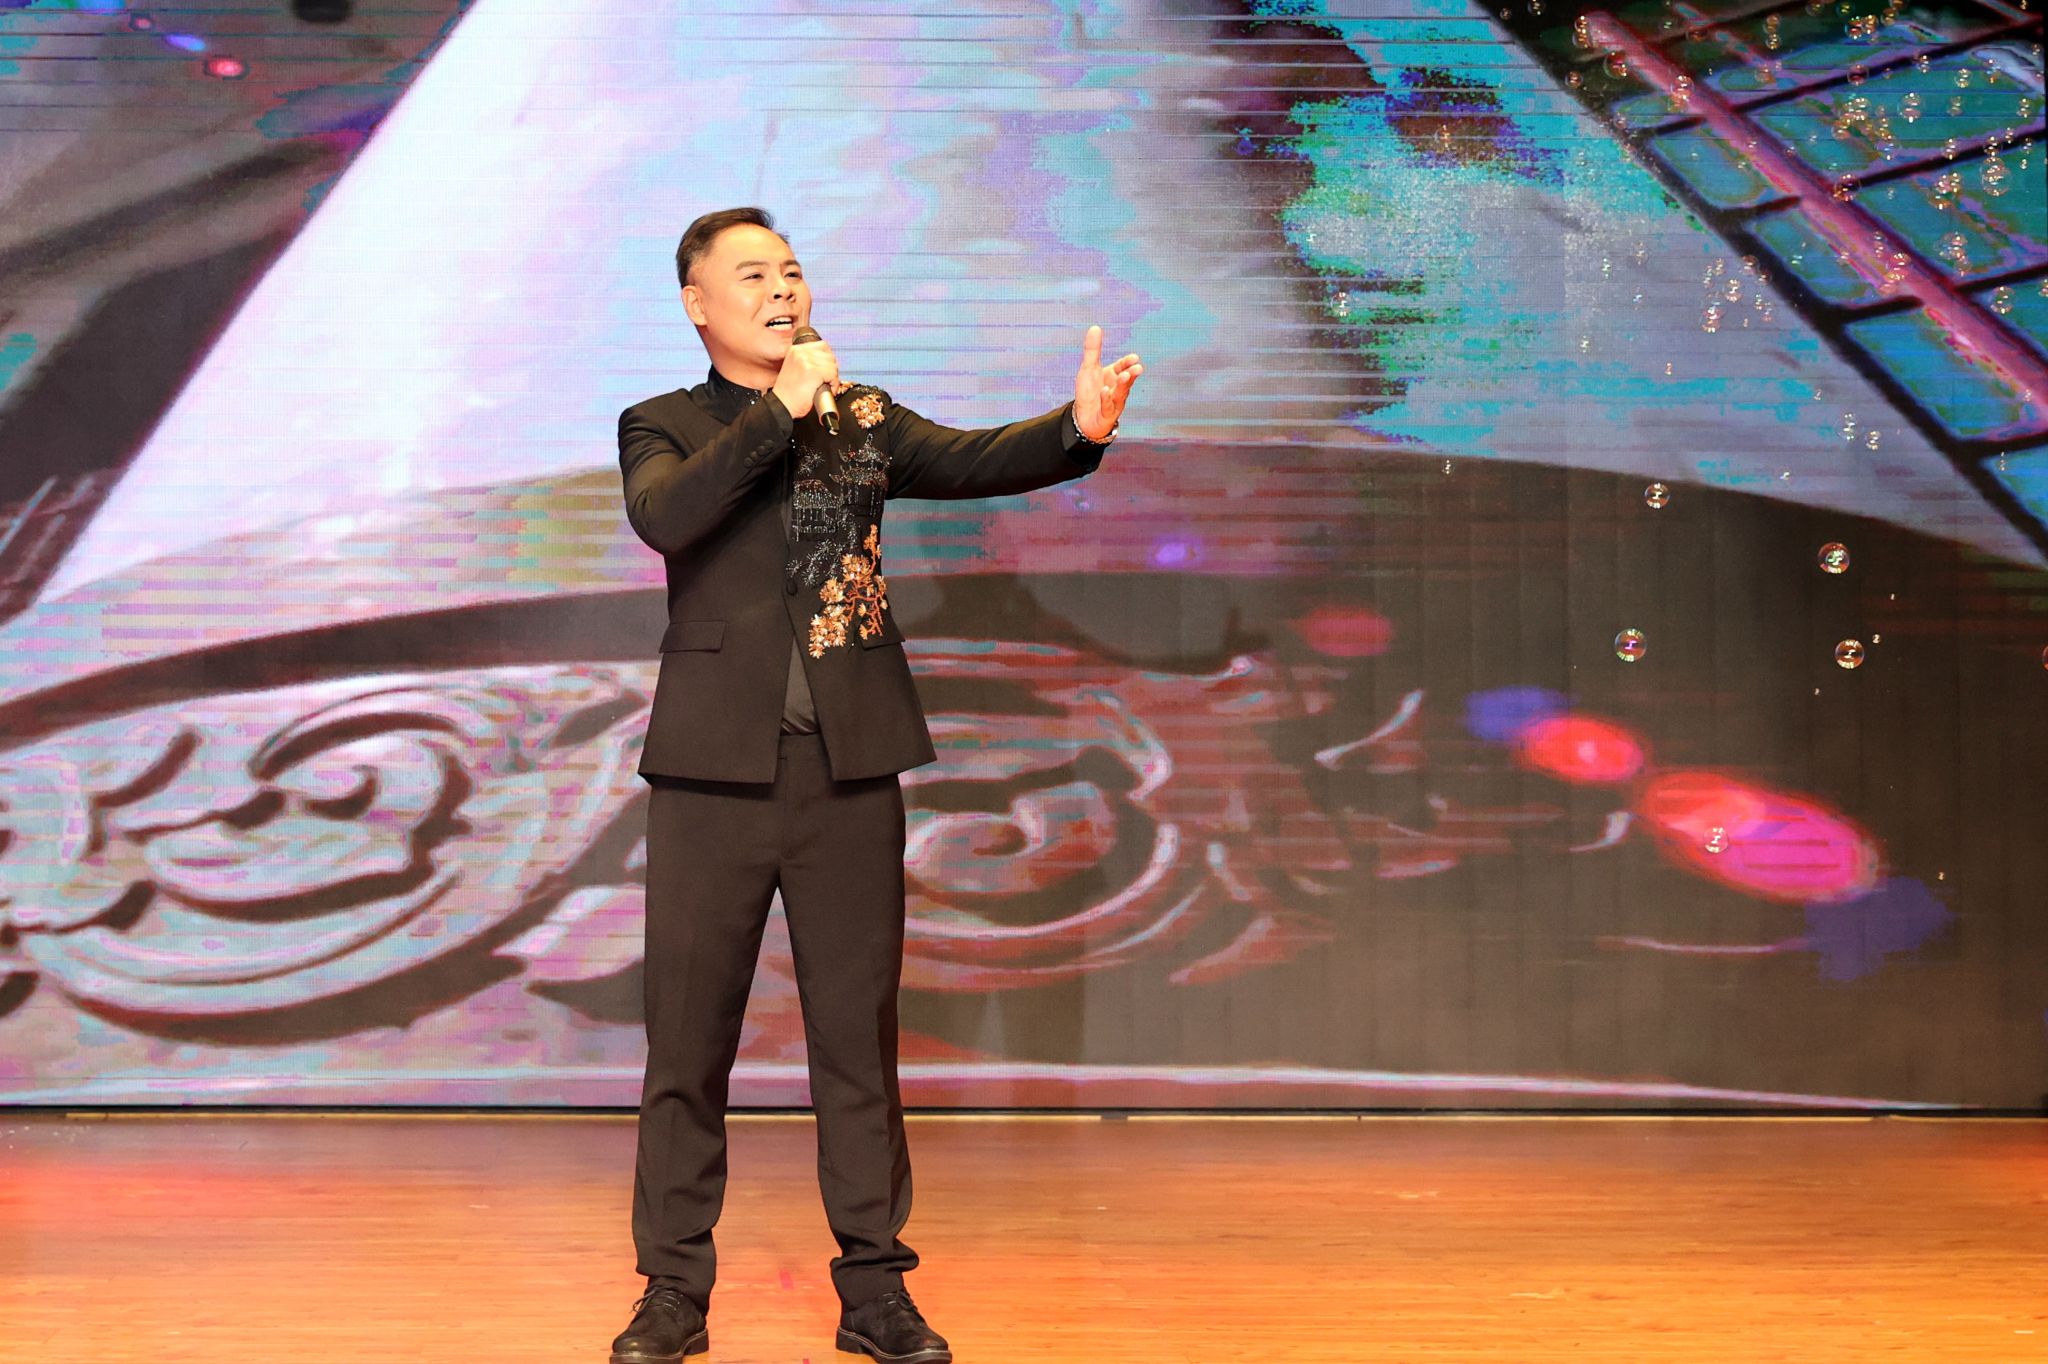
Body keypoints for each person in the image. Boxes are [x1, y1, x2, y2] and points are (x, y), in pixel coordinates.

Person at [608, 207, 1142, 1364]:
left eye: (792, 270)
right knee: (686, 1049)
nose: (781, 289)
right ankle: (671, 1291)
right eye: (753, 274)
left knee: (855, 1042)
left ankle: (873, 1289)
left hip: (844, 771)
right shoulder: (661, 423)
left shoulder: (859, 416)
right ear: (697, 304)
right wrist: (777, 411)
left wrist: (1074, 430)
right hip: (708, 776)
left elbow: (971, 457)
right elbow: (668, 517)